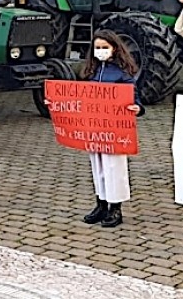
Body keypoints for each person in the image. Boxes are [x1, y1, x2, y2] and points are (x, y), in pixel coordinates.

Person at [49, 30, 144, 228]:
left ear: (114, 49)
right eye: (97, 48)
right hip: (95, 129)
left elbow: (134, 98)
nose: (100, 51)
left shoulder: (123, 73)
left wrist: (137, 108)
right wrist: (56, 102)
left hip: (115, 130)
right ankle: (101, 203)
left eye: (104, 48)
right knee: (98, 166)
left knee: (113, 168)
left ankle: (115, 208)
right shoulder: (91, 71)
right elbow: (81, 97)